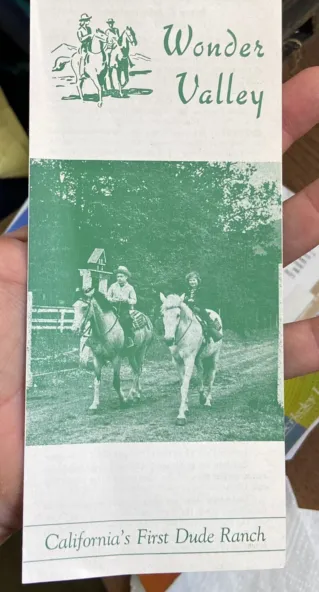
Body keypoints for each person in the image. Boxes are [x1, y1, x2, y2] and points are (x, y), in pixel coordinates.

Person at [1, 67, 319, 556]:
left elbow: (146, 300)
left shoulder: (160, 287)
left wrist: (164, 299)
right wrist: (111, 295)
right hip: (137, 306)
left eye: (125, 276)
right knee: (105, 321)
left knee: (133, 323)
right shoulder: (118, 284)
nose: (125, 278)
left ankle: (165, 364)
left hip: (155, 311)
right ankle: (105, 363)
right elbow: (117, 294)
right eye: (123, 276)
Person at [184, 271, 222, 343]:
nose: (192, 282)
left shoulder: (202, 289)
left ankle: (209, 332)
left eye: (194, 280)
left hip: (199, 307)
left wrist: (193, 301)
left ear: (197, 280)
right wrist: (186, 299)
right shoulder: (188, 290)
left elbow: (203, 299)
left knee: (204, 318)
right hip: (189, 308)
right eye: (190, 280)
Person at [106, 266, 137, 348]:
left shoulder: (130, 288)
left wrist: (127, 300)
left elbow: (134, 300)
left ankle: (128, 339)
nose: (119, 278)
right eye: (118, 277)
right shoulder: (113, 286)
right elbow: (107, 297)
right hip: (113, 308)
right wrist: (112, 299)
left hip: (124, 308)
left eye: (121, 276)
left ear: (126, 277)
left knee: (126, 320)